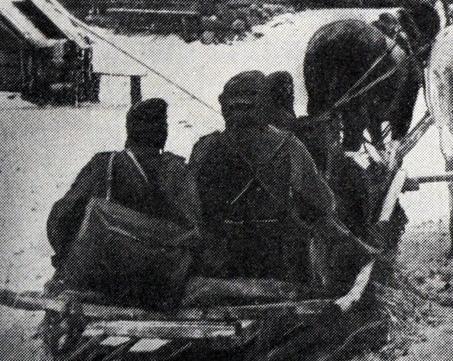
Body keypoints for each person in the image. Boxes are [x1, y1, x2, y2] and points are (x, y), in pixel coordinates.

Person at [190, 71, 377, 289]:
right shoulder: (288, 145)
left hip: (221, 263)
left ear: (224, 107)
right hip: (281, 264)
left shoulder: (204, 147)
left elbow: (190, 204)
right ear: (264, 105)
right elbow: (325, 202)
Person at [47, 98, 200, 284]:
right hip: (164, 276)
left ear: (129, 132)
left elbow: (61, 217)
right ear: (164, 135)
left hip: (104, 273)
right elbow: (193, 228)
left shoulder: (105, 164)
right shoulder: (177, 170)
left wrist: (66, 255)